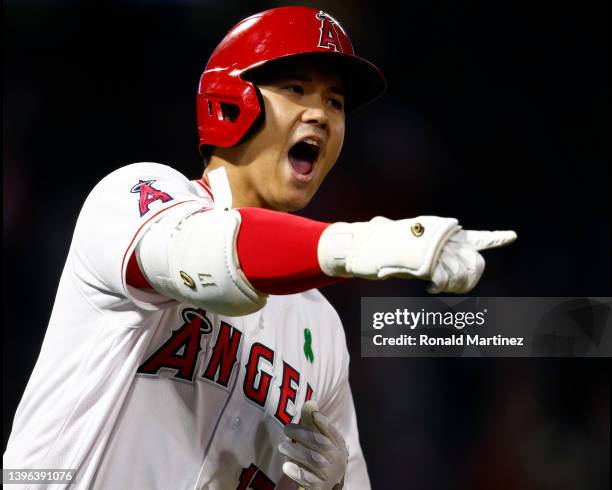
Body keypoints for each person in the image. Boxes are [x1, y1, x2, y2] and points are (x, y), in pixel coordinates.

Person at [3, 6, 516, 489]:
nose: (320, 115)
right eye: (297, 89)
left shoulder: (321, 330)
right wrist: (358, 241)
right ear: (231, 102)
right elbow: (210, 259)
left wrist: (334, 486)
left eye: (334, 102)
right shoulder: (134, 197)